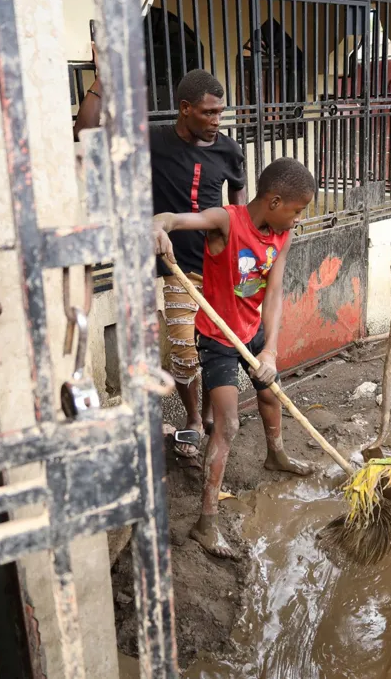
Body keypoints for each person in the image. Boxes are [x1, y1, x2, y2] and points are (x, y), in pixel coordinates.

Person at [75, 67, 247, 462]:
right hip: (177, 268)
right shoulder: (152, 142)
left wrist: (242, 254)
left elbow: (240, 204)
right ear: (185, 109)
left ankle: (206, 415)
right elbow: (86, 132)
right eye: (208, 113)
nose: (216, 121)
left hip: (221, 268)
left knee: (216, 347)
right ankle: (191, 416)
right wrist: (103, 78)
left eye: (221, 112)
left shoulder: (229, 150)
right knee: (185, 351)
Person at [152, 157, 315, 558]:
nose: (296, 220)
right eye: (296, 211)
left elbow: (274, 292)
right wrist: (159, 227)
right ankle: (206, 522)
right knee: (226, 426)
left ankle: (276, 455)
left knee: (270, 394)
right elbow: (171, 218)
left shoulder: (282, 235)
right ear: (274, 201)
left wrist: (271, 350)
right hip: (217, 339)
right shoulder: (226, 222)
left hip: (252, 331)